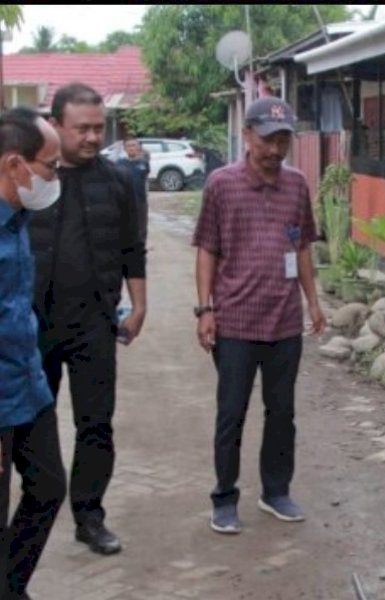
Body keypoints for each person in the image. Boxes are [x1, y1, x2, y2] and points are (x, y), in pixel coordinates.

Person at [193, 96, 326, 535]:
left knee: (282, 412)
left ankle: (275, 491)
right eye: (267, 140)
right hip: (234, 322)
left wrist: (313, 300)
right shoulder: (221, 184)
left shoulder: (297, 184)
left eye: (283, 140)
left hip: (284, 322)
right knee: (231, 412)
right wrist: (205, 309)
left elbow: (302, 245)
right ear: (247, 136)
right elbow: (207, 249)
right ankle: (224, 497)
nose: (275, 150)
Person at [28, 83, 147, 556]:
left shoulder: (119, 181)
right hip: (35, 326)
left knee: (95, 424)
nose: (93, 138)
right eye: (82, 129)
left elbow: (132, 248)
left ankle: (89, 516)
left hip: (95, 323)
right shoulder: (34, 178)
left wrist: (139, 306)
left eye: (99, 128)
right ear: (56, 125)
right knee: (29, 425)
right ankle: (34, 508)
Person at [0, 106, 68, 599]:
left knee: (47, 488)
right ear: (13, 164)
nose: (55, 176)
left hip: (29, 387)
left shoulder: (19, 218)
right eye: (50, 165)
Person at [116, 137, 150, 245]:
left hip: (140, 201)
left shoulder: (144, 163)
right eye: (128, 146)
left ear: (138, 147)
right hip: (123, 201)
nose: (131, 148)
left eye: (134, 145)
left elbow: (146, 178)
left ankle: (140, 249)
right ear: (125, 149)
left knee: (141, 227)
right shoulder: (119, 163)